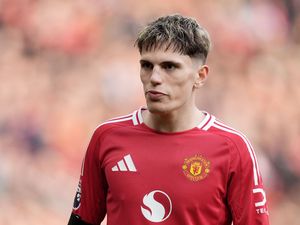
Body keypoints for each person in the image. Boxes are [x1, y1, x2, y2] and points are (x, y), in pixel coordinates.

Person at [67, 14, 269, 225]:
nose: (155, 77)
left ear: (200, 76)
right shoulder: (107, 137)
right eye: (146, 65)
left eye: (169, 67)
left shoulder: (232, 148)